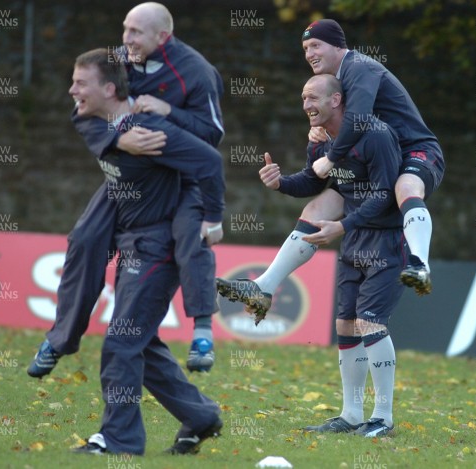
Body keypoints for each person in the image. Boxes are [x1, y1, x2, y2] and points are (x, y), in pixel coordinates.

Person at [27, 2, 224, 377]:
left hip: (179, 176)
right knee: (85, 239)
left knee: (191, 236)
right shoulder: (118, 59)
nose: (125, 39)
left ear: (162, 37)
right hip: (128, 172)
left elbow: (211, 137)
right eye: (125, 29)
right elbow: (83, 108)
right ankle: (60, 338)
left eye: (135, 32)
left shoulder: (197, 72)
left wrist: (170, 111)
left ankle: (202, 332)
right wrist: (119, 140)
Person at [217, 19, 444, 321]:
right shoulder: (334, 85)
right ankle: (264, 286)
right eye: (305, 48)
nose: (309, 53)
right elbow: (315, 176)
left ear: (339, 46)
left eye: (315, 45)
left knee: (405, 187)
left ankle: (420, 265)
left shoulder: (359, 65)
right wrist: (282, 182)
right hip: (372, 160)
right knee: (316, 208)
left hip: (415, 150)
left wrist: (332, 157)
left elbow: (359, 118)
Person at [68, 48, 224, 456]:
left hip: (160, 247)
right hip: (135, 243)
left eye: (80, 84)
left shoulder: (166, 113)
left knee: (122, 341)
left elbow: (210, 154)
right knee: (142, 342)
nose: (72, 91)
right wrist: (119, 139)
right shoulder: (110, 114)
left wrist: (211, 218)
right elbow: (85, 113)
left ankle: (119, 440)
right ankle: (201, 415)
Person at [273, 74, 404, 436]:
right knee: (346, 325)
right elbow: (312, 182)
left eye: (313, 97)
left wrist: (343, 225)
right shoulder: (323, 143)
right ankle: (350, 415)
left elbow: (385, 195)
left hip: (387, 241)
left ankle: (383, 418)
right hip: (353, 241)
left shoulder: (376, 135)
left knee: (371, 322)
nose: (306, 105)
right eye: (302, 98)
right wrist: (280, 182)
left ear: (337, 101)